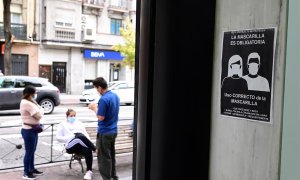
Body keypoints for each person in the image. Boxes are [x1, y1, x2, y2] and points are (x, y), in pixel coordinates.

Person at [88, 77, 120, 180]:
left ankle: (107, 178)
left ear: (100, 88)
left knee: (104, 159)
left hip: (104, 132)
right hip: (113, 130)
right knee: (111, 156)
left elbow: (101, 117)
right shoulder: (115, 96)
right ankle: (113, 176)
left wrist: (94, 108)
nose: (97, 91)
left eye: (96, 89)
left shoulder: (104, 98)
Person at [56, 109, 96, 180]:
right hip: (70, 146)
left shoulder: (79, 123)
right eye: (71, 116)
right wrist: (71, 137)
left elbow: (85, 135)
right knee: (78, 137)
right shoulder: (62, 125)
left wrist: (88, 142)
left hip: (80, 145)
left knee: (88, 149)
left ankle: (89, 172)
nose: (73, 117)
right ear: (67, 116)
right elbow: (58, 138)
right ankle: (95, 149)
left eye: (74, 116)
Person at [20, 85, 44, 180]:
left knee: (32, 151)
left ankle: (32, 169)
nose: (36, 94)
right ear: (30, 94)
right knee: (29, 152)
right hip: (28, 130)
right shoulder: (27, 103)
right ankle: (26, 173)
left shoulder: (30, 101)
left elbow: (38, 110)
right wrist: (41, 110)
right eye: (35, 93)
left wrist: (39, 109)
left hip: (33, 129)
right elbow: (38, 116)